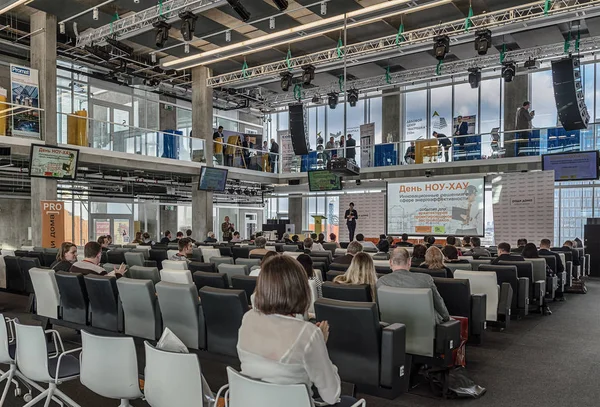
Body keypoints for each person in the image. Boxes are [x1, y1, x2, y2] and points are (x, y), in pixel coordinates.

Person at [237, 255, 358, 407]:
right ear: (301, 288)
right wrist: (320, 345)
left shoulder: (248, 318)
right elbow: (331, 395)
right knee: (351, 402)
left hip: (250, 401)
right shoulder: (308, 334)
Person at [377, 248, 450, 324]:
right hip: (425, 329)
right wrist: (447, 318)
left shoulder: (381, 282)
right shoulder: (426, 280)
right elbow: (440, 306)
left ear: (390, 262)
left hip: (392, 330)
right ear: (409, 262)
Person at [521, 243, 553, 315]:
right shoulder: (541, 261)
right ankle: (544, 306)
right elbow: (549, 272)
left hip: (522, 285)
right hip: (538, 286)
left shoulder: (520, 260)